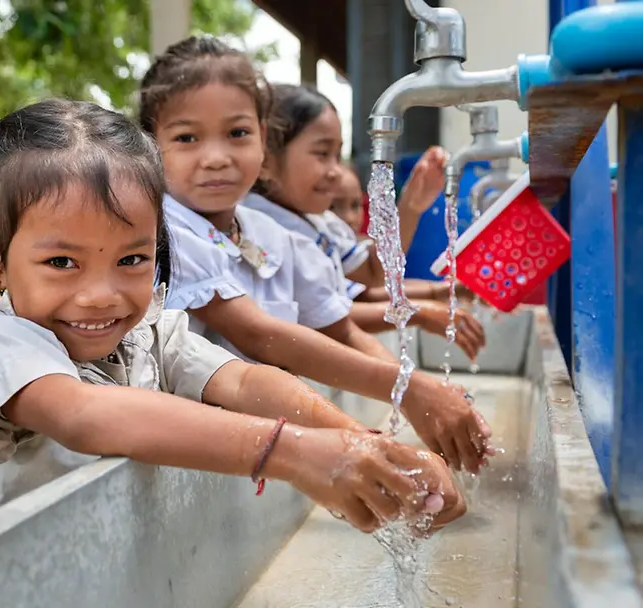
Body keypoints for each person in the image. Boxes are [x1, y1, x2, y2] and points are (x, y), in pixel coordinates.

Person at [0, 99, 465, 532]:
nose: (101, 295)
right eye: (62, 262)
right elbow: (84, 415)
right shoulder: (3, 341)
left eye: (132, 259)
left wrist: (365, 446)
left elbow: (244, 380)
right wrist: (296, 455)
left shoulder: (149, 328)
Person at [140, 36, 490, 473]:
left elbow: (340, 329)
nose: (216, 157)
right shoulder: (164, 228)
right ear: (149, 148)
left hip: (265, 438)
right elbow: (257, 333)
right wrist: (409, 390)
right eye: (187, 137)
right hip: (192, 453)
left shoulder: (271, 234)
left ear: (263, 143)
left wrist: (420, 394)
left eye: (238, 133)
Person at [244, 84, 486, 359]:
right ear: (266, 157)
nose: (336, 171)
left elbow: (372, 273)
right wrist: (423, 311)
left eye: (337, 155)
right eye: (322, 154)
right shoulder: (258, 230)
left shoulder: (317, 221)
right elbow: (326, 319)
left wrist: (411, 206)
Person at [330, 165, 474, 303]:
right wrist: (445, 291)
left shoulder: (358, 244)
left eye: (355, 205)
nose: (349, 218)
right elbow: (368, 296)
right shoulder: (321, 246)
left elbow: (386, 284)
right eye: (332, 206)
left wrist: (449, 289)